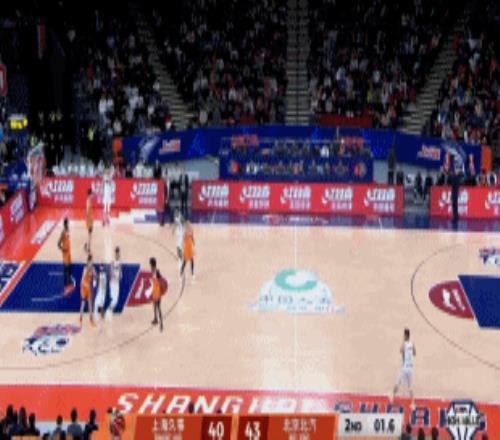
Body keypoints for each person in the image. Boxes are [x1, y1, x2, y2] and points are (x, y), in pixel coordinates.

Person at [393, 328, 416, 406]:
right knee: (410, 386)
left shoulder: (404, 344)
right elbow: (414, 353)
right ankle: (413, 403)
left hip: (404, 368)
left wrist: (403, 342)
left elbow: (400, 350)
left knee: (397, 382)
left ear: (405, 335)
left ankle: (393, 398)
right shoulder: (412, 344)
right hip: (410, 368)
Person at [58, 218, 74, 295]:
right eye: (67, 223)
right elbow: (58, 243)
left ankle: (69, 283)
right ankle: (65, 286)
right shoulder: (63, 232)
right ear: (65, 224)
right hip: (65, 253)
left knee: (69, 268)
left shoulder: (68, 230)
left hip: (69, 252)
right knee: (66, 269)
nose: (68, 224)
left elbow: (67, 240)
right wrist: (63, 249)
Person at [80, 253, 96, 326]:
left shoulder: (92, 268)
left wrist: (96, 275)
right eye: (91, 261)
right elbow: (82, 280)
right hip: (84, 286)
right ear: (88, 261)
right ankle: (80, 318)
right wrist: (86, 285)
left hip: (88, 286)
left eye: (92, 261)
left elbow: (95, 276)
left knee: (90, 303)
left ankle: (91, 319)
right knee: (83, 303)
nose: (92, 262)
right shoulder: (85, 269)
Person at [107, 246, 122, 320]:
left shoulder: (120, 262)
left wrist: (120, 276)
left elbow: (120, 271)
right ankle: (108, 311)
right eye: (117, 254)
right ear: (115, 254)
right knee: (114, 300)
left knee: (115, 300)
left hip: (117, 283)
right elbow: (111, 272)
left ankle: (109, 311)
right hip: (113, 282)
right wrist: (115, 276)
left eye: (118, 254)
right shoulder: (112, 261)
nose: (118, 255)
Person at [150, 257, 163, 332]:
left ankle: (161, 324)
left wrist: (160, 290)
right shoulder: (152, 271)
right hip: (154, 292)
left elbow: (161, 280)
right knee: (154, 306)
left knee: (158, 308)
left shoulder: (157, 272)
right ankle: (155, 319)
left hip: (157, 293)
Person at [85, 189, 93, 253]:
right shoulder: (88, 201)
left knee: (89, 233)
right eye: (91, 194)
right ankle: (88, 248)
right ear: (90, 194)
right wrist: (88, 219)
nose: (92, 195)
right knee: (90, 234)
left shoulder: (89, 200)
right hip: (89, 219)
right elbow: (87, 211)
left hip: (90, 219)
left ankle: (87, 245)